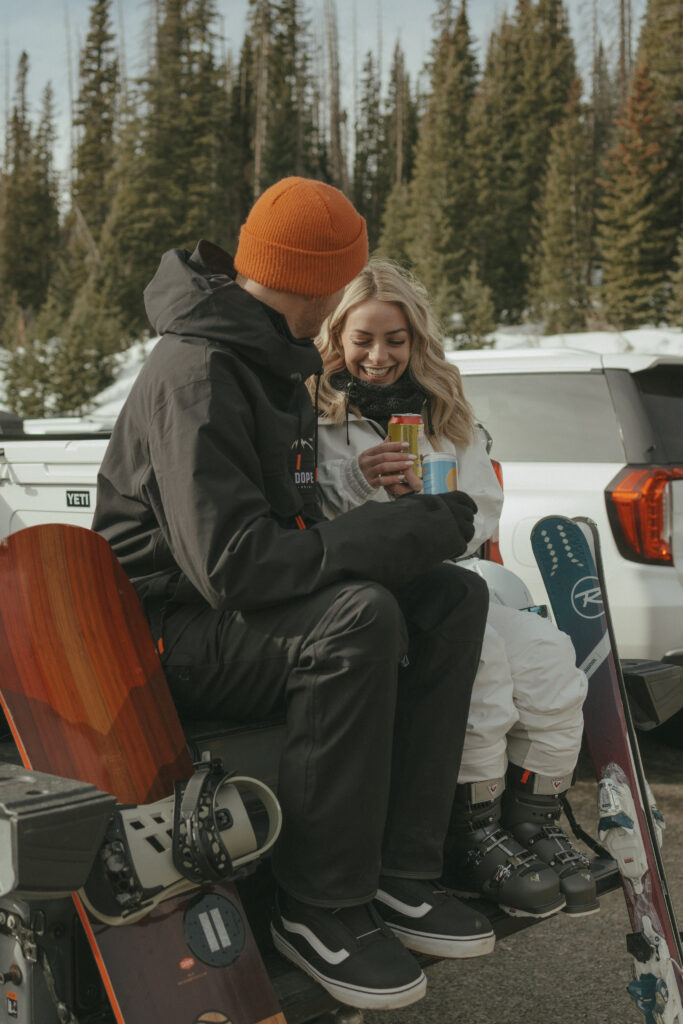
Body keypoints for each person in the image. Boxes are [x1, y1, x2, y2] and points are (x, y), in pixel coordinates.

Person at [93, 178, 495, 1012]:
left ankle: (400, 873)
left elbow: (295, 529)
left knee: (451, 597)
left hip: (233, 613)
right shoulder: (199, 371)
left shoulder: (269, 364)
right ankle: (319, 907)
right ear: (317, 284)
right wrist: (387, 538)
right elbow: (233, 565)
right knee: (359, 617)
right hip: (165, 633)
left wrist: (411, 525)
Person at [312, 258, 599, 920]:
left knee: (548, 656)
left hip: (446, 576)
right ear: (335, 337)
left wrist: (434, 511)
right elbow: (307, 523)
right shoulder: (314, 410)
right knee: (486, 664)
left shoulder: (440, 408)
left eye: (395, 339)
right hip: (367, 595)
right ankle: (465, 834)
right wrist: (361, 485)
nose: (379, 356)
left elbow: (483, 508)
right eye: (362, 339)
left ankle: (532, 822)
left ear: (416, 339)